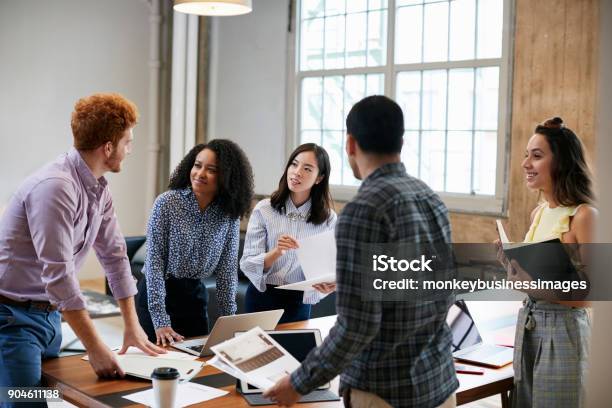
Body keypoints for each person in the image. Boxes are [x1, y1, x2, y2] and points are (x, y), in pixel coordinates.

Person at [264, 95, 458, 407]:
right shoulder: (430, 197)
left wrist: (299, 383)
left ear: (350, 144)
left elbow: (358, 325)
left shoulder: (364, 209)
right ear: (401, 142)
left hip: (385, 391)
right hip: (439, 383)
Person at [0, 93, 164, 398]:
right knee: (24, 401)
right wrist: (96, 346)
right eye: (128, 142)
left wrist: (132, 326)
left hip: (50, 317)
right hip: (12, 319)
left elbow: (115, 257)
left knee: (58, 395)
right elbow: (60, 277)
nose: (131, 150)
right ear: (108, 148)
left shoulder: (98, 186)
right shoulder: (56, 188)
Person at [504, 117, 596, 408]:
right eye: (526, 155)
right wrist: (510, 266)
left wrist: (536, 286)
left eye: (537, 156)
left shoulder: (584, 216)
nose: (526, 164)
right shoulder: (538, 214)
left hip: (564, 336)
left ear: (562, 162)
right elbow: (534, 280)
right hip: (529, 326)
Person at [136, 140, 254, 346]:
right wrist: (161, 320)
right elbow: (154, 263)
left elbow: (227, 271)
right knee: (157, 366)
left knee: (197, 363)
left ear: (227, 177)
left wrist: (230, 321)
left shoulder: (229, 215)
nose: (199, 174)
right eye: (197, 165)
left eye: (211, 170)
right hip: (156, 295)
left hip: (194, 298)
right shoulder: (167, 203)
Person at [240, 143, 336, 324]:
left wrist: (329, 285)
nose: (297, 172)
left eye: (307, 168)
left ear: (319, 178)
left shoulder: (329, 220)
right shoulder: (264, 209)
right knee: (256, 352)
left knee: (295, 352)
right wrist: (277, 252)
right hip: (261, 298)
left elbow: (327, 271)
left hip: (298, 303)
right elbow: (248, 263)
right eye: (294, 164)